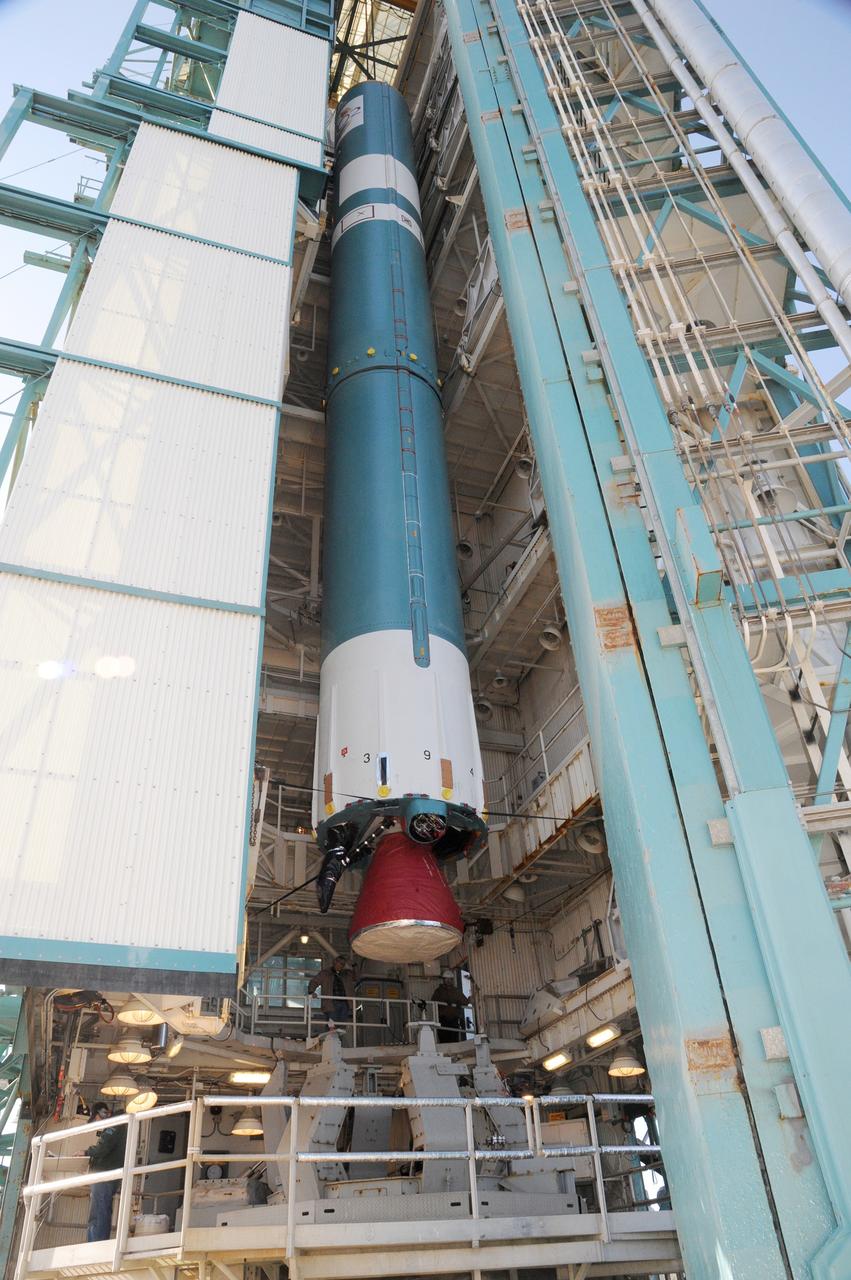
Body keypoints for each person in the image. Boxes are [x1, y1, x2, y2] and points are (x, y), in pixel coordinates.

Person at [85, 1103, 126, 1242]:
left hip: (104, 1175)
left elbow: (103, 1148)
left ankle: (95, 1243)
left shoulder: (115, 1125)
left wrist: (86, 1152)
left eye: (96, 1118)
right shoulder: (121, 1124)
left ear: (101, 1113)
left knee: (99, 1211)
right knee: (102, 1209)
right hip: (110, 1174)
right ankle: (97, 1241)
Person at [307, 955, 354, 1028]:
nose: (341, 965)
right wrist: (311, 992)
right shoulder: (325, 973)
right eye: (340, 963)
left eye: (343, 964)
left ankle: (339, 1039)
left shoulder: (347, 974)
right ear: (334, 962)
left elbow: (358, 976)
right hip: (331, 1003)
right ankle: (330, 1039)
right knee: (331, 1027)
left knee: (341, 1027)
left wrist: (354, 965)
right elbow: (314, 981)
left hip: (345, 1004)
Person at [431, 970, 471, 1043]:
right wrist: (443, 1001)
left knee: (454, 1040)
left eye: (450, 979)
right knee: (444, 1040)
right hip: (443, 1019)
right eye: (446, 979)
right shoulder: (439, 991)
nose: (448, 981)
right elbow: (433, 1001)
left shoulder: (456, 991)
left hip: (454, 1020)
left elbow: (465, 1001)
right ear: (443, 980)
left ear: (452, 980)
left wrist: (459, 1002)